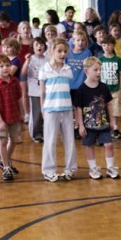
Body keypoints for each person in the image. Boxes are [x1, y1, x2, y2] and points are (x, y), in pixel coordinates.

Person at [72, 57, 119, 179]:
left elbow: (109, 104)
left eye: (100, 70)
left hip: (103, 124)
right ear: (87, 71)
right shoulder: (81, 90)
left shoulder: (103, 87)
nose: (99, 72)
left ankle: (110, 168)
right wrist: (80, 125)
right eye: (96, 70)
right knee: (90, 146)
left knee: (108, 144)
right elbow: (78, 108)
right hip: (89, 126)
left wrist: (112, 121)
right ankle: (93, 168)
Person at [39, 38, 77, 182]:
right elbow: (42, 93)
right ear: (52, 51)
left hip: (67, 110)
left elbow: (70, 91)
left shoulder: (68, 70)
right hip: (50, 110)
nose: (62, 54)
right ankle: (48, 170)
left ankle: (71, 169)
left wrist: (73, 111)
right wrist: (43, 109)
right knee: (50, 141)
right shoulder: (44, 70)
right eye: (59, 51)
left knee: (70, 141)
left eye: (65, 51)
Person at [0, 53, 24, 181]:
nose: (5, 68)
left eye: (7, 65)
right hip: (1, 118)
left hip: (13, 116)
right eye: (1, 66)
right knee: (3, 141)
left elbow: (19, 98)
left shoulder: (15, 81)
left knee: (15, 140)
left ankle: (4, 161)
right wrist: (0, 121)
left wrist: (22, 113)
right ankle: (6, 167)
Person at [21, 36, 47, 143]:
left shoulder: (48, 59)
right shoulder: (30, 59)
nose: (39, 46)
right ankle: (35, 134)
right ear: (33, 47)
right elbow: (23, 74)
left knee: (44, 114)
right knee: (36, 114)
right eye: (37, 45)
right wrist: (26, 62)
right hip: (34, 91)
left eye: (41, 44)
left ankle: (43, 133)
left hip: (46, 91)